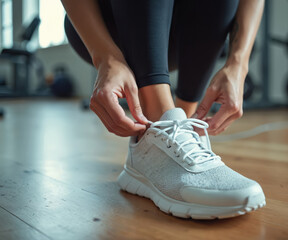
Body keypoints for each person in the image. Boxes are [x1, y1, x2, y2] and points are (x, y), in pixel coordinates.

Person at [62, 0, 265, 219]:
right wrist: (105, 58)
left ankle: (171, 135)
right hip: (105, 23)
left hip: (176, 31)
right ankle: (159, 121)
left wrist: (238, 65)